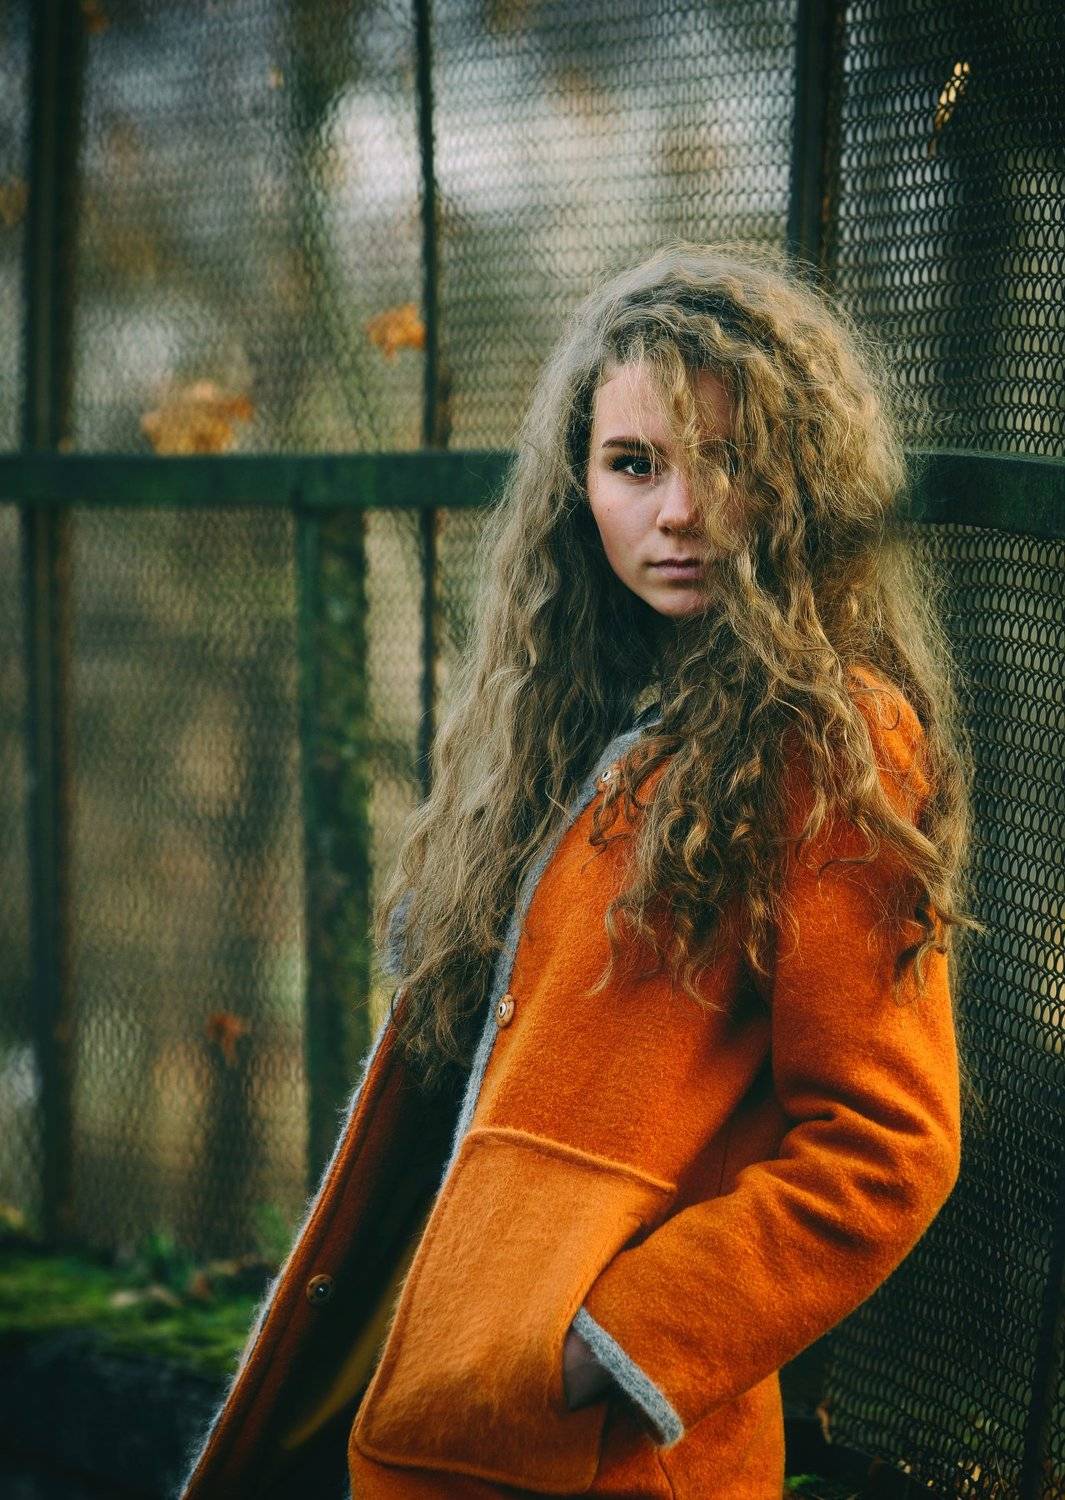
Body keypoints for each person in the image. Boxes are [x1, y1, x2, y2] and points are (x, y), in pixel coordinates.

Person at [177, 240, 981, 1500]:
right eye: (634, 464)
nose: (680, 512)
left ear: (802, 485)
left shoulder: (829, 741)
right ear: (577, 482)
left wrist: (602, 1346)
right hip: (438, 1428)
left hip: (606, 1458)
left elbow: (888, 1145)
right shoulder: (569, 710)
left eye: (729, 462)